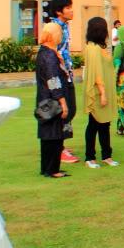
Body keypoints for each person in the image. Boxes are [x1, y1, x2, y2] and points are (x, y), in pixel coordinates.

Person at [35, 22, 73, 178]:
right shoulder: (49, 55)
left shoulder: (44, 52)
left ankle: (47, 168)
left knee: (47, 136)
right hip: (53, 102)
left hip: (45, 100)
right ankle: (52, 170)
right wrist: (63, 103)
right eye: (60, 33)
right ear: (53, 35)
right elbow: (53, 81)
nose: (61, 35)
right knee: (55, 135)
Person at [83, 17, 119, 168]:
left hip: (105, 91)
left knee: (105, 124)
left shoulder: (100, 47)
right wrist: (103, 93)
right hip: (98, 93)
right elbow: (96, 73)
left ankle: (106, 156)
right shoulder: (93, 48)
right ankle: (89, 157)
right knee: (93, 125)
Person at [49, 0, 79, 165]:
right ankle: (58, 149)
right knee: (63, 111)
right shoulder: (54, 28)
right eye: (67, 8)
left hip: (67, 74)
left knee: (71, 109)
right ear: (58, 11)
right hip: (59, 75)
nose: (71, 11)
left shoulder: (65, 26)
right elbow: (51, 51)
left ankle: (61, 145)